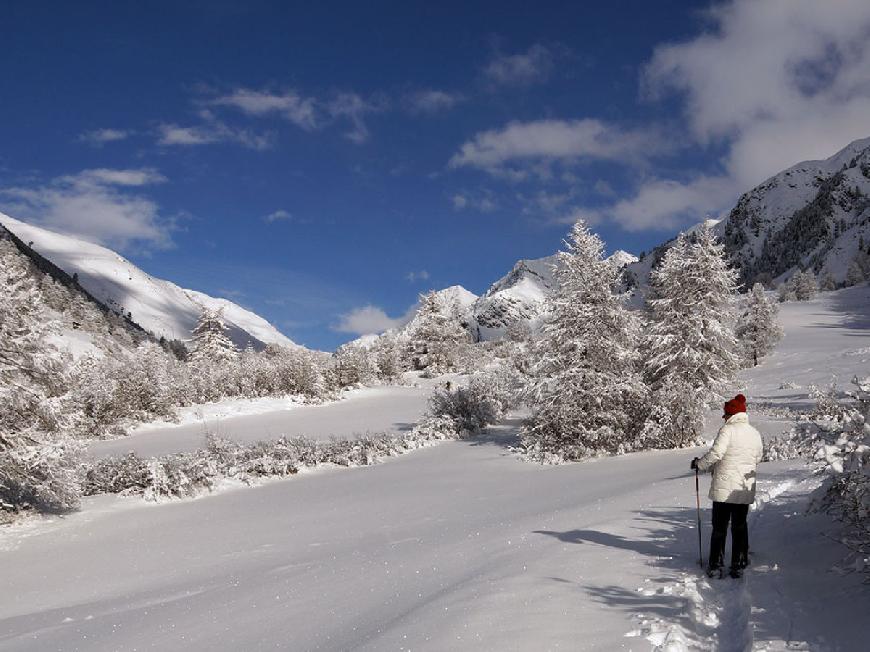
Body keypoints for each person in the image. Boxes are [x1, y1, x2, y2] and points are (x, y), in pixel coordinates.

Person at [691, 393, 764, 579]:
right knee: (740, 526)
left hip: (724, 488)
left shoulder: (727, 430)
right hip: (744, 487)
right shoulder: (755, 433)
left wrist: (700, 464)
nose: (724, 418)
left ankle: (716, 566)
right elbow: (758, 458)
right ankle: (739, 564)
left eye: (725, 415)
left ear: (731, 415)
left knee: (720, 528)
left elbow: (716, 454)